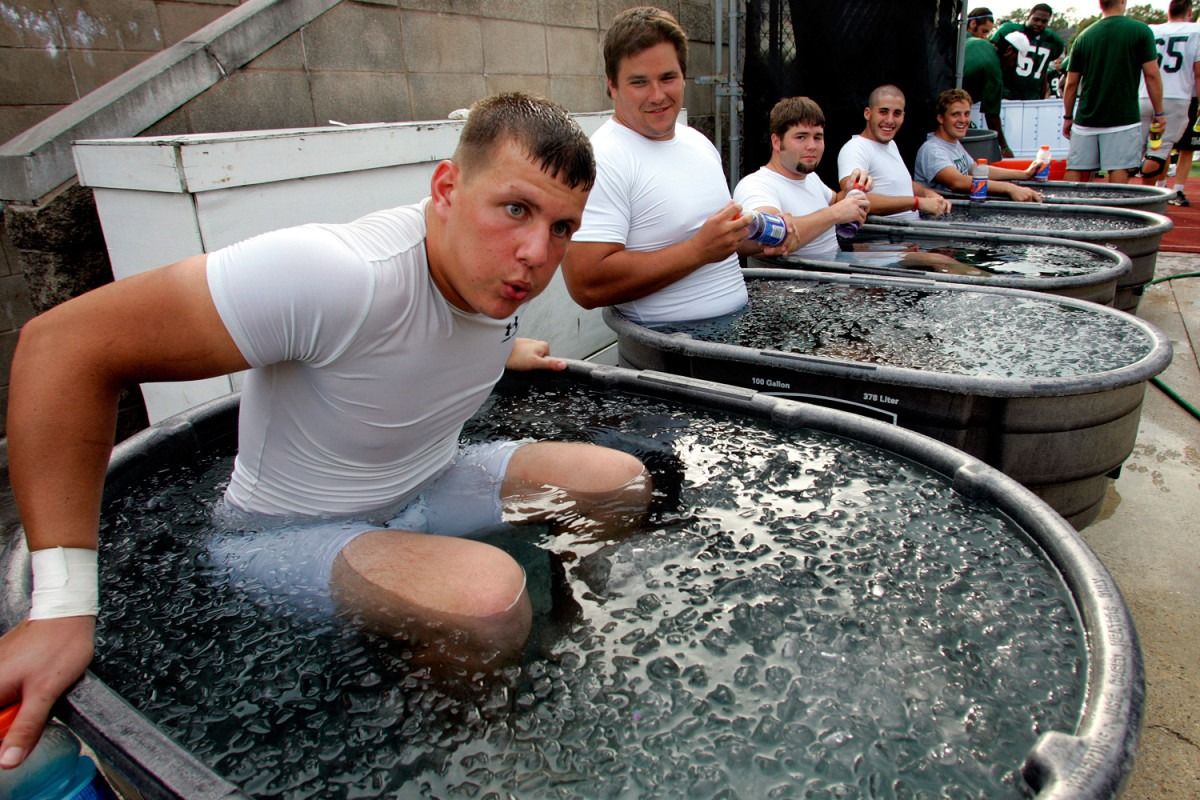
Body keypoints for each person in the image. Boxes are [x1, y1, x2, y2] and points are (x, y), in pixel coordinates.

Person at [0, 92, 652, 768]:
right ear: (447, 188)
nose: (535, 253)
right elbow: (62, 348)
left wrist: (505, 350)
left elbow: (420, 345)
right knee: (488, 601)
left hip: (430, 481)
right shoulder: (340, 274)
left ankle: (565, 624)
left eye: (562, 228)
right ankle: (461, 753)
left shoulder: (494, 277)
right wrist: (61, 607)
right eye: (515, 208)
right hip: (287, 532)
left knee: (619, 483)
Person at [562, 7, 791, 325]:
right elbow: (586, 283)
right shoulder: (602, 158)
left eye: (667, 78)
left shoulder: (699, 143)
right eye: (639, 82)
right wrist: (698, 250)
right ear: (612, 86)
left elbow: (719, 242)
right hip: (670, 353)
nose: (657, 95)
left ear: (683, 76)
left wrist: (762, 237)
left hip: (736, 329)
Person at [732, 96, 872, 260]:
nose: (812, 146)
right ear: (777, 142)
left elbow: (836, 202)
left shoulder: (810, 178)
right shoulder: (756, 185)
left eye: (817, 137)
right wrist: (835, 214)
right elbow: (775, 233)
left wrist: (853, 190)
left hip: (834, 274)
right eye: (801, 137)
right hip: (793, 283)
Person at [1062, 0, 1164, 183]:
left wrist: (1068, 116)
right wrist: (1159, 111)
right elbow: (1152, 75)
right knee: (1118, 168)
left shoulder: (1084, 36)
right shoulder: (1140, 31)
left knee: (1076, 168)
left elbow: (1071, 83)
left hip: (1086, 117)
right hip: (1122, 117)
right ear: (1123, 2)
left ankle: (1071, 210)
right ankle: (1115, 209)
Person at [836, 85, 952, 220]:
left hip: (909, 234)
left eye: (896, 113)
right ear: (868, 113)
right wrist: (917, 202)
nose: (890, 120)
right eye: (883, 112)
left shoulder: (890, 144)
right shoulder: (855, 148)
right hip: (883, 238)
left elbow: (900, 183)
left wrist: (928, 194)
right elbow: (852, 198)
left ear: (903, 116)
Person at [914, 88, 1044, 201]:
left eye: (966, 114)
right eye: (955, 114)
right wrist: (1008, 188)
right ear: (941, 118)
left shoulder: (953, 143)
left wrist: (1023, 174)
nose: (963, 120)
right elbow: (957, 182)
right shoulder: (932, 150)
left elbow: (976, 170)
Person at [1137, 0, 1200, 194]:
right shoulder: (1195, 31)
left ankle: (1150, 190)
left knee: (1135, 151)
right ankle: (1145, 198)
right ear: (1189, 12)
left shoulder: (1151, 30)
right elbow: (1198, 72)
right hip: (1175, 97)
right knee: (1158, 152)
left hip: (1144, 94)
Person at [964, 30, 1027, 157]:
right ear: (1009, 50)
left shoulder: (980, 42)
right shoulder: (994, 70)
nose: (1013, 65)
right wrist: (1004, 147)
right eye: (1015, 60)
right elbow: (992, 116)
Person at [992, 4, 1067, 100]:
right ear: (1028, 17)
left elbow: (1043, 70)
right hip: (1006, 94)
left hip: (1033, 95)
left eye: (1044, 21)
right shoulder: (1009, 31)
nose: (1039, 23)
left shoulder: (1053, 40)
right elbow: (992, 56)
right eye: (1036, 19)